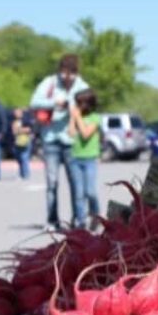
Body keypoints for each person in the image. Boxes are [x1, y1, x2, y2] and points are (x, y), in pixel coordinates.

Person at [30, 53, 90, 230]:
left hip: (72, 141)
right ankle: (52, 220)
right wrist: (53, 102)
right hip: (50, 139)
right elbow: (34, 102)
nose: (66, 78)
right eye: (63, 73)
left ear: (76, 73)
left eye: (70, 74)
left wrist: (71, 103)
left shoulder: (82, 85)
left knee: (76, 183)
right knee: (52, 183)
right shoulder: (49, 82)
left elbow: (89, 105)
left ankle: (78, 220)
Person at [67, 89, 101, 230]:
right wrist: (72, 118)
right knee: (79, 193)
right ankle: (81, 221)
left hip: (90, 159)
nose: (77, 106)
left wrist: (78, 117)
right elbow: (71, 133)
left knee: (90, 192)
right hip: (76, 158)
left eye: (79, 103)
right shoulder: (77, 117)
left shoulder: (94, 118)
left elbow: (86, 134)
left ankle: (95, 215)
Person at [12, 108, 33, 180]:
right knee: (19, 159)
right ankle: (21, 174)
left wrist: (19, 130)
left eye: (17, 112)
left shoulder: (26, 120)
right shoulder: (14, 121)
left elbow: (29, 129)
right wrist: (18, 130)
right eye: (15, 113)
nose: (16, 114)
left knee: (24, 157)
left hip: (25, 141)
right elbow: (14, 131)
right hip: (17, 142)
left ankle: (26, 174)